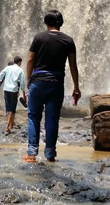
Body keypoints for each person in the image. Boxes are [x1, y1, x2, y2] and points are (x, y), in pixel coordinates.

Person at [24, 9, 81, 162]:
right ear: (61, 23)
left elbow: (30, 60)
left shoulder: (39, 37)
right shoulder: (68, 41)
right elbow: (73, 66)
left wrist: (27, 80)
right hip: (56, 83)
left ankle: (31, 153)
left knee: (33, 116)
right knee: (52, 118)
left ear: (46, 23)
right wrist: (76, 87)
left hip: (38, 81)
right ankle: (50, 155)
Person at [0, 56, 27, 133]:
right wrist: (24, 93)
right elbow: (22, 83)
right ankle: (7, 126)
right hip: (13, 90)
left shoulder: (7, 68)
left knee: (8, 107)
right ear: (19, 62)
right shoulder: (20, 70)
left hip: (6, 89)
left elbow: (1, 75)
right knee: (12, 108)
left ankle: (11, 124)